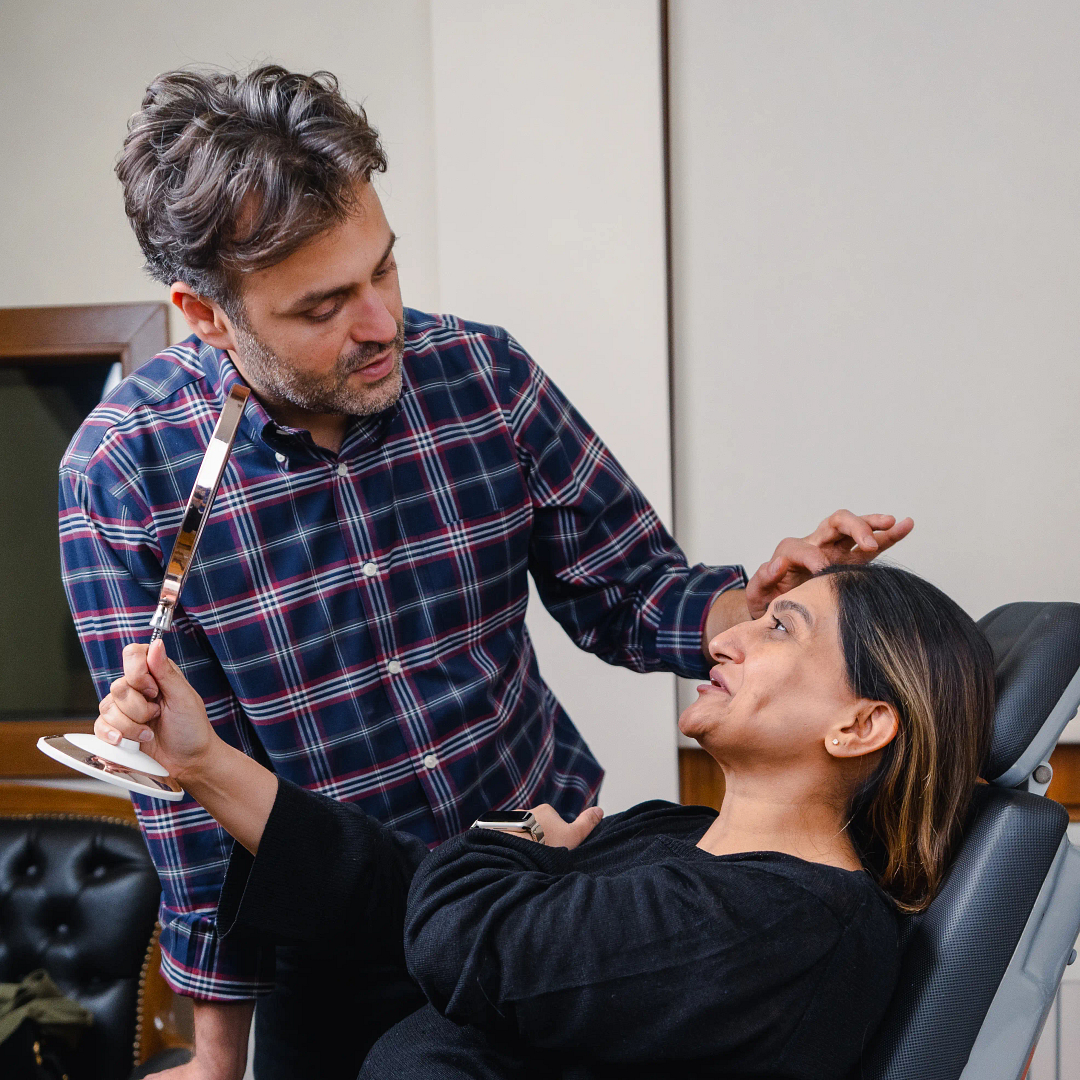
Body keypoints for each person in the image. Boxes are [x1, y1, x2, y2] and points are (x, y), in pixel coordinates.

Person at [59, 65, 914, 1079]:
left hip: (542, 892)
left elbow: (629, 588)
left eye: (384, 270)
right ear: (205, 314)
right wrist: (216, 1059)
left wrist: (755, 608)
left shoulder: (482, 375)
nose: (381, 324)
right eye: (325, 306)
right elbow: (180, 778)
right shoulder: (124, 473)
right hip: (328, 937)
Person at [95, 564, 991, 1078]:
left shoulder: (782, 926)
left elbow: (465, 937)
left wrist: (514, 837)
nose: (726, 639)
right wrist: (202, 760)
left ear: (860, 725)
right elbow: (414, 892)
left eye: (780, 630)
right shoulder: (677, 837)